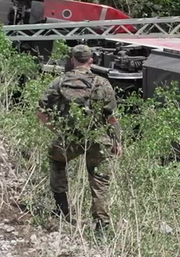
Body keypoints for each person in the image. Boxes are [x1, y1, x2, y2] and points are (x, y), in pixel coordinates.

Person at [36, 45, 122, 229]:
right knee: (99, 180)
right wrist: (117, 141)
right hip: (99, 139)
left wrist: (58, 130)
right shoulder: (102, 83)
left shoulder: (60, 81)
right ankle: (102, 224)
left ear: (72, 60)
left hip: (71, 138)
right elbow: (112, 116)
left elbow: (41, 112)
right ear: (91, 60)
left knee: (56, 159)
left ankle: (62, 209)